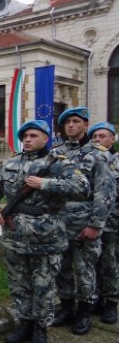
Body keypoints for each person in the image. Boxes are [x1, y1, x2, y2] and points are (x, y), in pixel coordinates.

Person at [0, 120, 89, 343]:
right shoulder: (10, 163)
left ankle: (40, 329)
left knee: (43, 286)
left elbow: (83, 188)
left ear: (45, 138)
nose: (27, 140)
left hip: (46, 238)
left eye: (33, 135)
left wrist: (46, 184)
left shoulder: (59, 164)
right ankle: (25, 325)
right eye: (25, 136)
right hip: (14, 237)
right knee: (19, 285)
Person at [50, 107, 116, 335]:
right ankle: (66, 308)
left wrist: (95, 225)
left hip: (84, 224)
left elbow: (104, 193)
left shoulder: (98, 154)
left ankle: (84, 313)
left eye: (76, 121)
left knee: (85, 269)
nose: (70, 125)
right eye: (67, 122)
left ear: (85, 125)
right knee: (62, 269)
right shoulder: (55, 153)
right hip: (58, 225)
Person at [88, 121, 119, 323]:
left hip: (113, 223)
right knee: (93, 262)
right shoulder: (90, 160)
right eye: (95, 137)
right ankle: (97, 297)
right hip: (90, 221)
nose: (98, 140)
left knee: (110, 263)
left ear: (112, 138)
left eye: (102, 136)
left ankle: (111, 302)